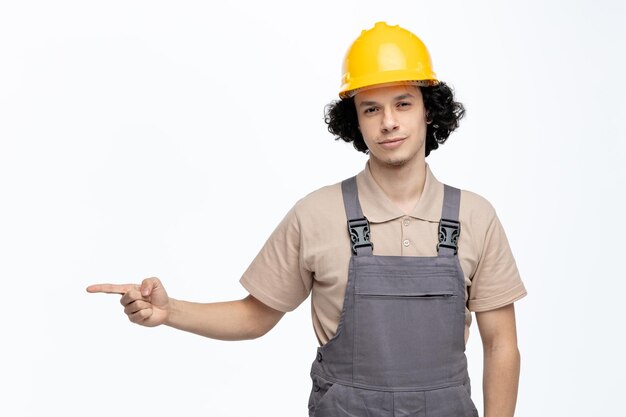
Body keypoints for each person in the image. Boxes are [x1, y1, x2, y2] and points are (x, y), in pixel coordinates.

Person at [87, 21, 526, 417]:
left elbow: (501, 343)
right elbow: (255, 317)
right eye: (371, 108)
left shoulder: (475, 217)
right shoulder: (317, 213)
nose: (388, 122)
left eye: (403, 103)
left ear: (429, 110)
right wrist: (171, 311)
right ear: (355, 122)